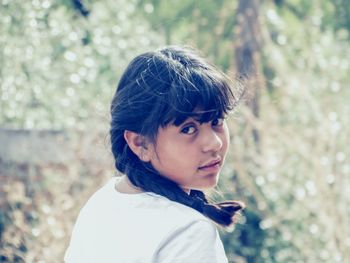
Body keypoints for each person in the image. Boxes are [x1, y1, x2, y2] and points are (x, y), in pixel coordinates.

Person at [64, 46, 245, 263]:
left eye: (216, 121)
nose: (214, 143)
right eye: (188, 129)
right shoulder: (188, 232)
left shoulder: (101, 204)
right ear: (140, 143)